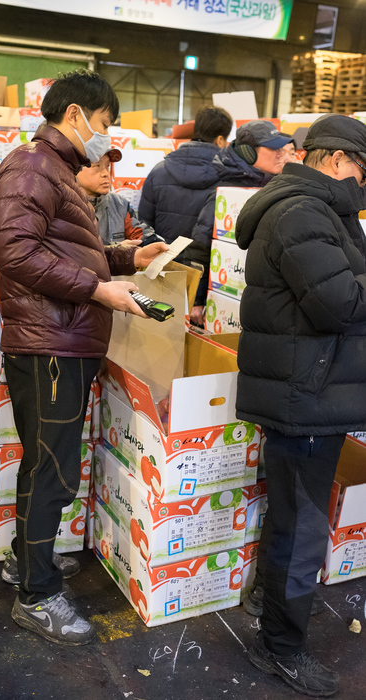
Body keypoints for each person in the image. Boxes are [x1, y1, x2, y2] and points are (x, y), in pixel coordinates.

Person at [0, 70, 167, 646]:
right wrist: (98, 290)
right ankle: (37, 598)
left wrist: (126, 259)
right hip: (50, 345)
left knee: (47, 465)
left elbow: (63, 251)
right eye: (105, 123)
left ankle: (26, 562)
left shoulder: (58, 173)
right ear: (75, 115)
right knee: (54, 471)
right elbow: (15, 252)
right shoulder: (33, 167)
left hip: (61, 340)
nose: (104, 136)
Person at [234, 113, 366, 697]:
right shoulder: (301, 213)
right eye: (362, 171)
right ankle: (278, 646)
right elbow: (340, 303)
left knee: (291, 514)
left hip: (310, 389)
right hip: (305, 394)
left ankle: (266, 603)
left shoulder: (323, 212)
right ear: (336, 161)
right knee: (302, 526)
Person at [185, 120, 292, 326]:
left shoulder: (276, 185)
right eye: (273, 147)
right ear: (248, 152)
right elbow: (200, 247)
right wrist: (197, 300)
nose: (280, 153)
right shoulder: (225, 194)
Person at [138, 107, 232, 325]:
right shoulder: (228, 180)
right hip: (208, 287)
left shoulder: (159, 171)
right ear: (220, 140)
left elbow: (143, 226)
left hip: (161, 275)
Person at [76, 149, 157, 245]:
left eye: (107, 166)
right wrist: (117, 250)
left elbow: (139, 232)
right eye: (97, 165)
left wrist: (152, 241)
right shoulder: (65, 206)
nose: (106, 173)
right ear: (75, 169)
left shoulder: (119, 203)